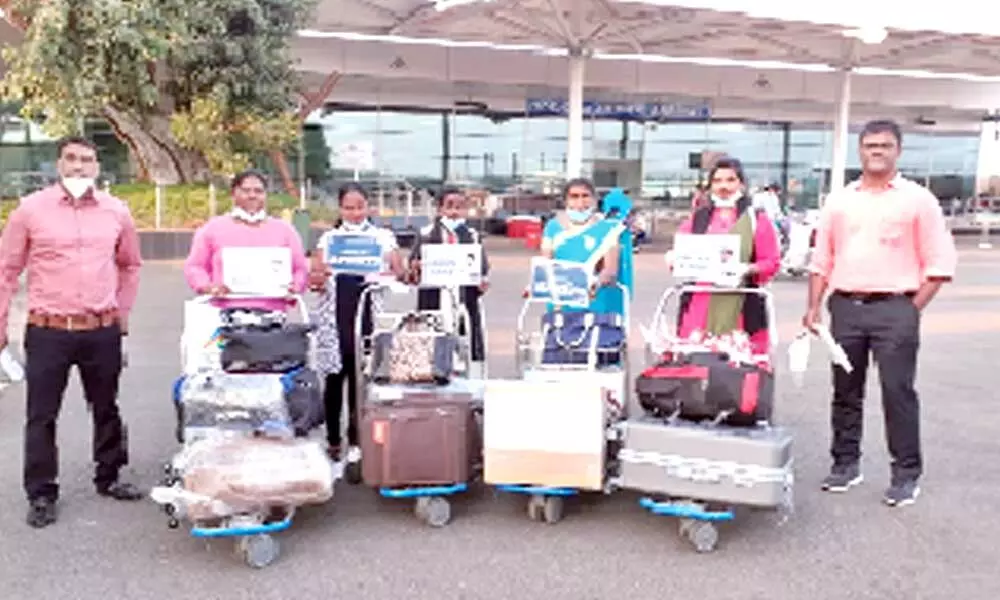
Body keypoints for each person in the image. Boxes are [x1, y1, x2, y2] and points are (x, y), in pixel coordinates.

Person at [803, 119, 957, 507]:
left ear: (898, 151)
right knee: (845, 391)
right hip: (846, 308)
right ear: (860, 150)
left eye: (885, 145)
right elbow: (822, 259)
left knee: (897, 392)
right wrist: (813, 307)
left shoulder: (918, 200)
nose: (877, 151)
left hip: (896, 309)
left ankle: (905, 474)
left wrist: (909, 310)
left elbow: (939, 263)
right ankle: (845, 465)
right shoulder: (840, 200)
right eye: (870, 145)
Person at [0, 136, 144, 528]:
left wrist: (123, 311)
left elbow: (130, 264)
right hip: (48, 331)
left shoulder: (116, 211)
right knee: (41, 414)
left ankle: (110, 475)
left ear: (97, 166)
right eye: (71, 158)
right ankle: (41, 492)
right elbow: (7, 270)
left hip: (101, 329)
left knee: (106, 406)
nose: (79, 166)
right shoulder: (31, 210)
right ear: (59, 164)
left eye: (87, 160)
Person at [308, 183, 404, 462]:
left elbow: (399, 271)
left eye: (360, 207)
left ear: (368, 207)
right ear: (340, 209)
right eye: (349, 208)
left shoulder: (382, 237)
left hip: (367, 313)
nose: (355, 213)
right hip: (335, 314)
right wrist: (320, 277)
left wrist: (386, 273)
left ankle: (358, 440)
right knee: (334, 379)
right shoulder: (329, 239)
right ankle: (333, 440)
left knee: (361, 381)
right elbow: (316, 275)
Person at [671, 157, 781, 356]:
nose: (724, 186)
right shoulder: (698, 218)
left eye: (730, 180)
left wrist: (747, 269)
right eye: (717, 181)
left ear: (741, 184)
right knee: (695, 360)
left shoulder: (756, 219)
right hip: (700, 304)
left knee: (738, 365)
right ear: (710, 185)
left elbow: (771, 262)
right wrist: (674, 258)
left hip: (742, 304)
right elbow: (682, 253)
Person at [183, 169, 309, 310]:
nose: (252, 195)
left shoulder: (285, 231)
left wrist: (295, 287)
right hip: (224, 312)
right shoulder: (212, 228)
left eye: (258, 191)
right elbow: (195, 266)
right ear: (233, 193)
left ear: (265, 195)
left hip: (272, 312)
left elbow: (301, 268)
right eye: (246, 190)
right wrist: (207, 287)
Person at [408, 187, 490, 378]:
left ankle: (468, 381)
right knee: (432, 345)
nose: (454, 212)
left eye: (460, 207)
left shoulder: (472, 235)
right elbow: (413, 268)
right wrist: (416, 267)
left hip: (464, 299)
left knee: (466, 343)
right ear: (440, 209)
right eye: (449, 206)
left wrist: (482, 282)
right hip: (433, 298)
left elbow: (482, 268)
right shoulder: (426, 234)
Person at [539, 179, 631, 318]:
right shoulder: (553, 227)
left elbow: (610, 269)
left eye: (585, 196)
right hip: (561, 302)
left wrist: (594, 285)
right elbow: (546, 262)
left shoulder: (608, 229)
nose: (580, 202)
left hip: (596, 303)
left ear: (594, 200)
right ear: (565, 201)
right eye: (574, 196)